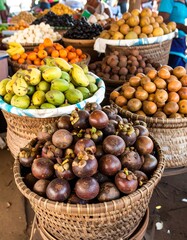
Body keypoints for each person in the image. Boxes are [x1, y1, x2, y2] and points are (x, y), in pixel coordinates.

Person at [159, 0, 187, 68]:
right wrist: (181, 27)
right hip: (170, 44)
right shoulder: (168, 1)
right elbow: (162, 20)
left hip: (181, 41)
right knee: (171, 72)